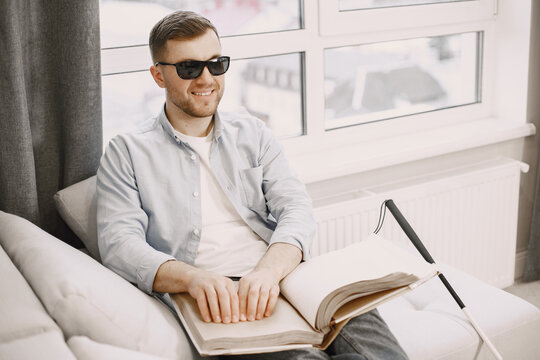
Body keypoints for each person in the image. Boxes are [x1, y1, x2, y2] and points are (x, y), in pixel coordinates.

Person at [96, 10, 408, 360]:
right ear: (158, 75)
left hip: (284, 273)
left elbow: (296, 209)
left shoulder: (253, 133)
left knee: (379, 345)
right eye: (188, 68)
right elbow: (119, 245)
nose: (206, 78)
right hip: (216, 295)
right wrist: (193, 279)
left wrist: (268, 272)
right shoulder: (126, 151)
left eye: (216, 64)